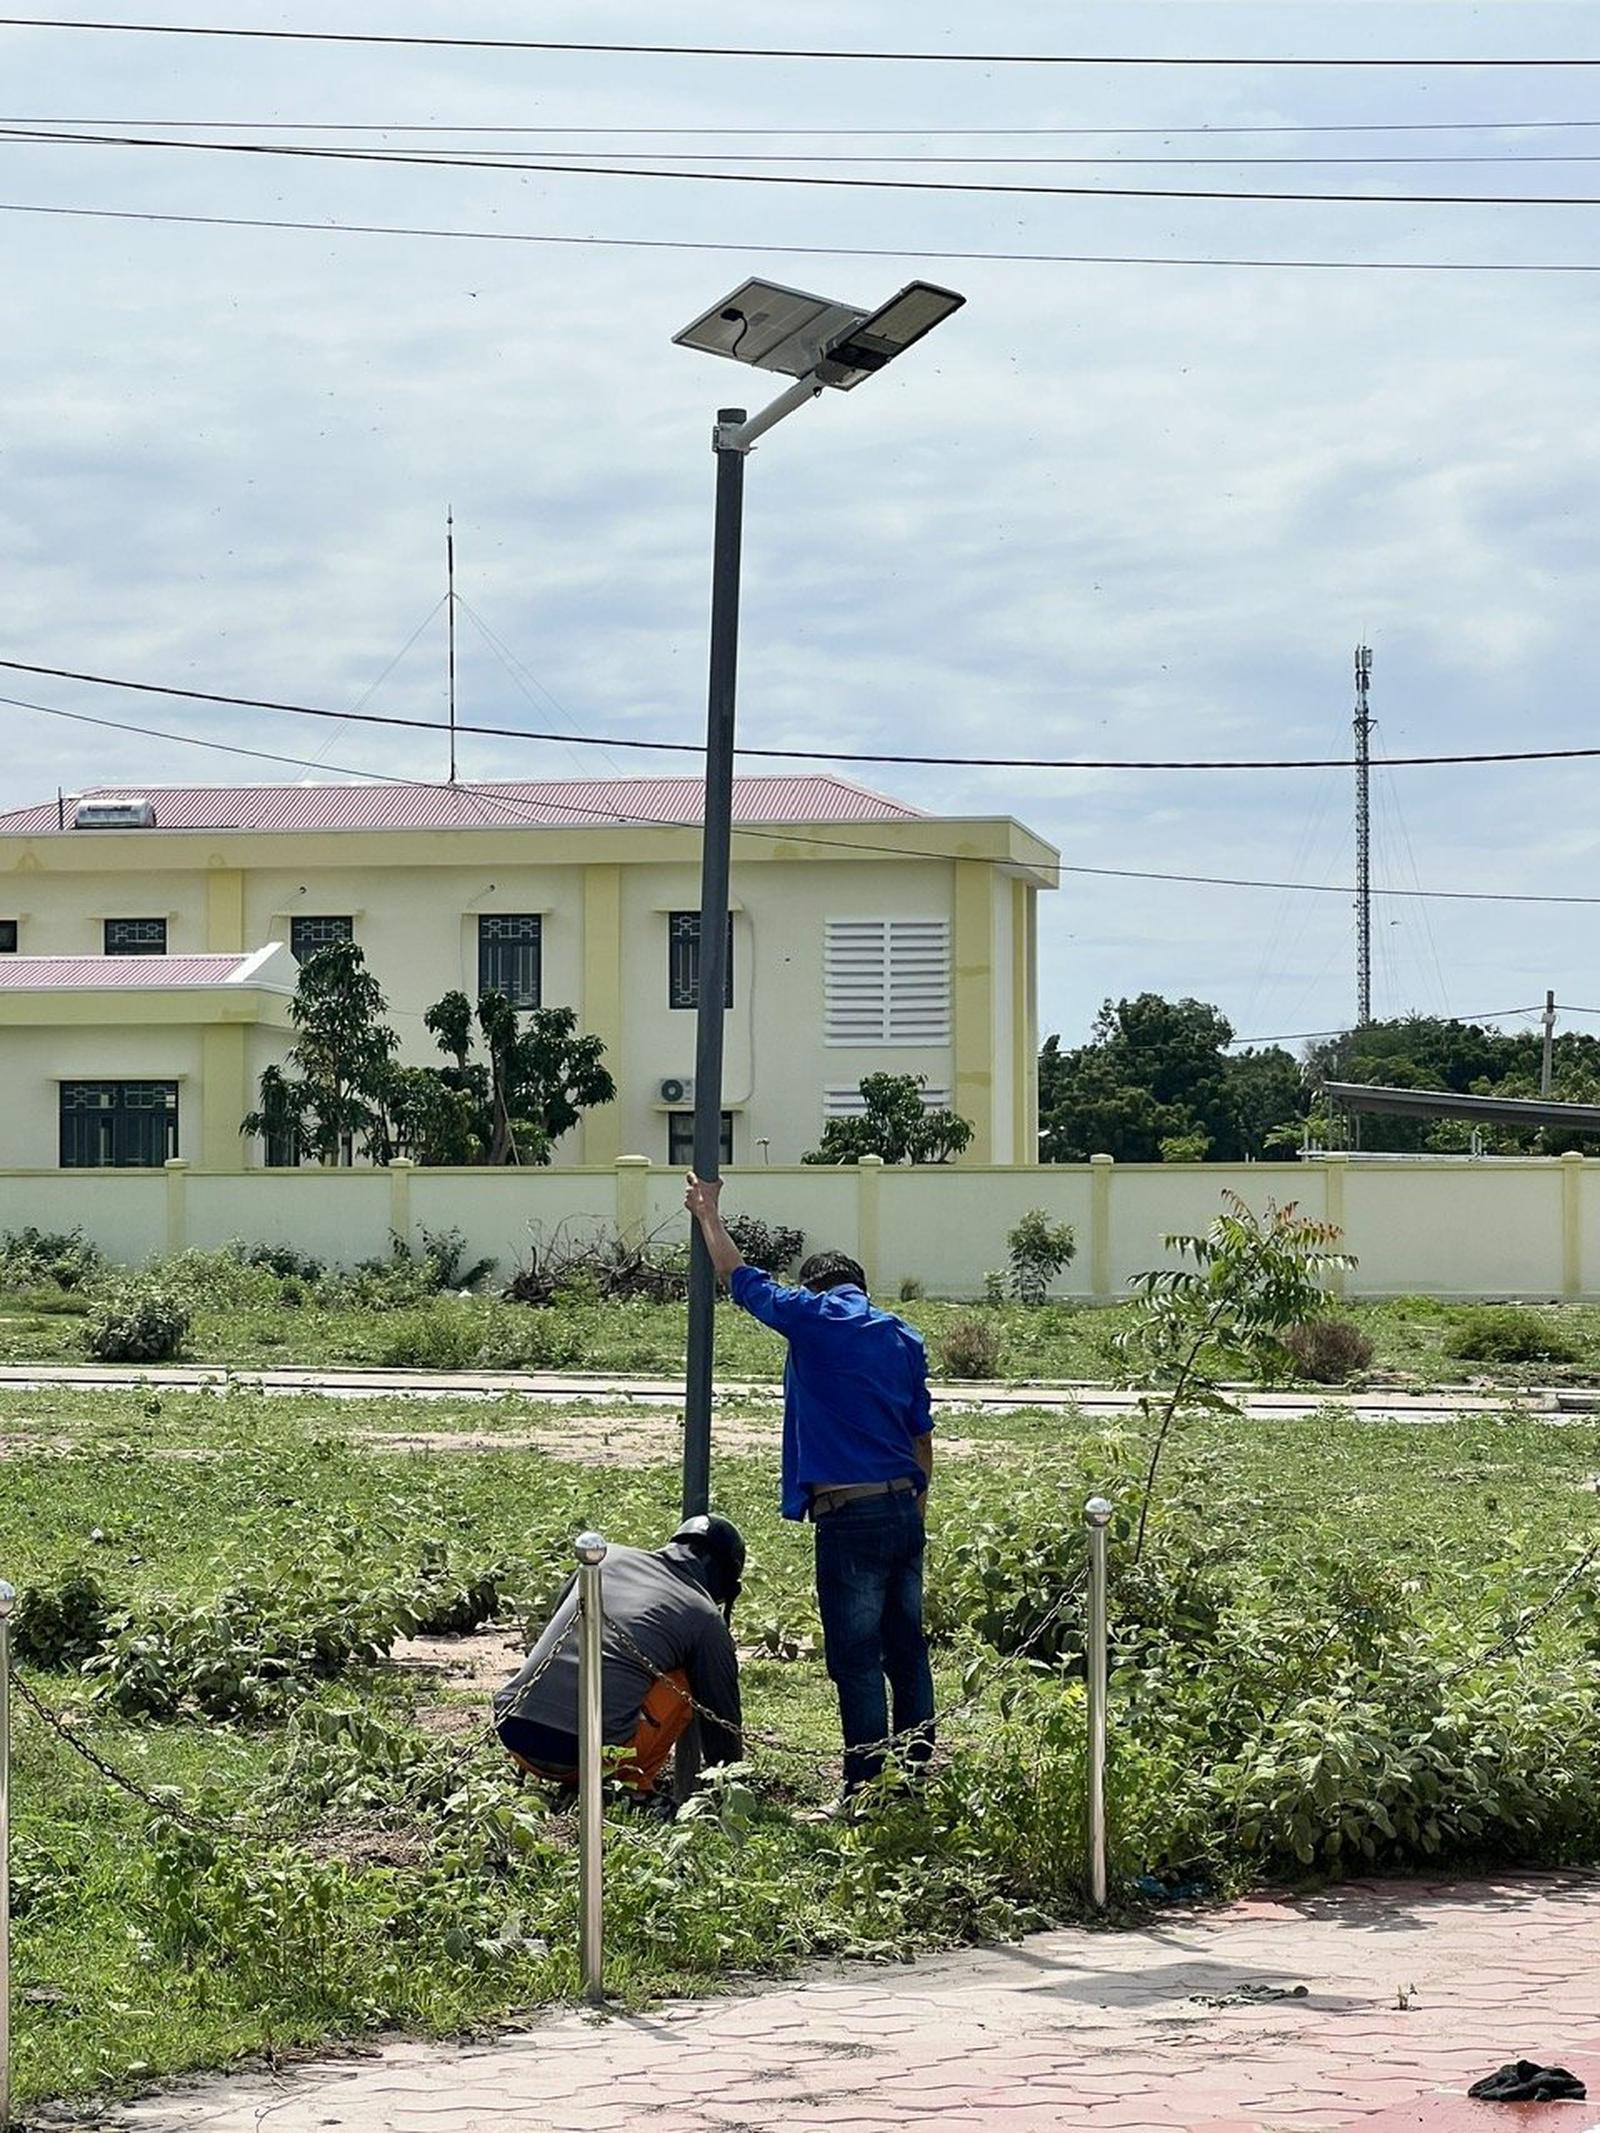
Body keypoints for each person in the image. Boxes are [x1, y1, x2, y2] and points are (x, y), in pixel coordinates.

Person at [684, 1173, 935, 1798]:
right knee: (907, 1650)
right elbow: (921, 1436)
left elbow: (738, 1277)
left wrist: (708, 1214)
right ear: (862, 1288)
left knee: (856, 1658)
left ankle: (865, 1789)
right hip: (904, 1505)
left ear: (815, 1287)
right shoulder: (902, 1335)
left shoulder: (814, 1316)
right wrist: (916, 1506)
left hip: (848, 1514)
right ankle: (914, 1778)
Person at [493, 1514, 745, 1800]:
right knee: (685, 1678)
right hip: (590, 1759)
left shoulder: (605, 1557)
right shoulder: (704, 1614)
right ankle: (632, 1790)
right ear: (725, 1577)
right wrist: (730, 1784)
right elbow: (721, 1714)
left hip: (513, 1733)